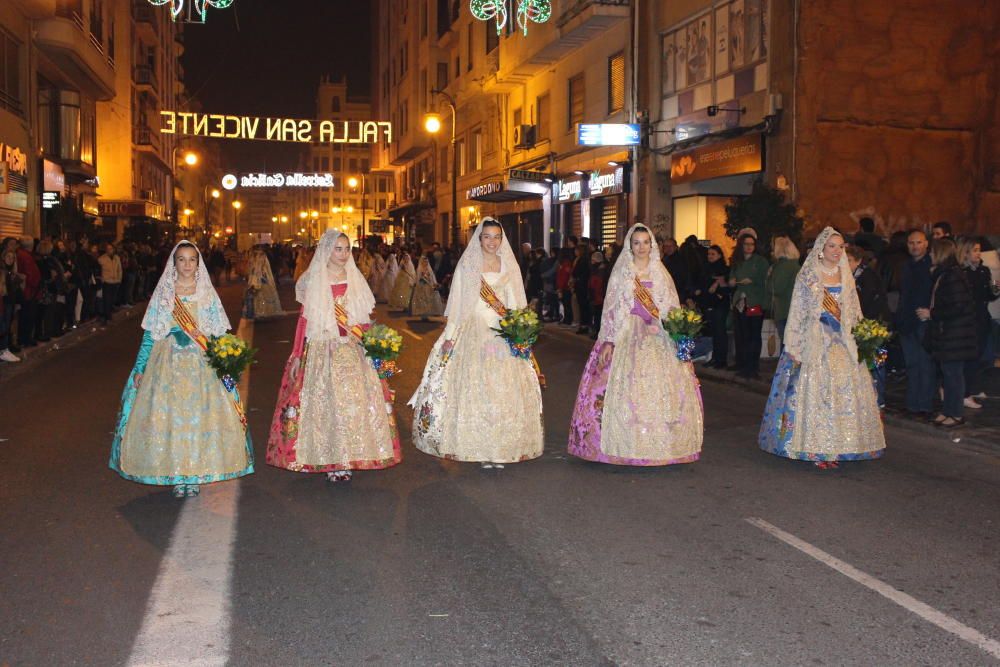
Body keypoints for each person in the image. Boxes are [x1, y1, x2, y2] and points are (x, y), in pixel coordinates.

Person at [109, 241, 254, 497]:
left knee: (197, 419)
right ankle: (178, 473)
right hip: (168, 363)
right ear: (173, 264)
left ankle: (194, 472)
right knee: (173, 420)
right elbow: (151, 335)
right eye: (182, 260)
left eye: (192, 260)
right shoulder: (165, 294)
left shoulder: (206, 294)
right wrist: (141, 367)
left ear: (198, 264)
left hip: (201, 364)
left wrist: (225, 362)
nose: (187, 265)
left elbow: (219, 333)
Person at [409, 219, 543, 469]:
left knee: (502, 390)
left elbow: (514, 300)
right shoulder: (468, 265)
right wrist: (450, 336)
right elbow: (459, 303)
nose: (492, 242)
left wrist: (520, 327)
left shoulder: (509, 265)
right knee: (477, 388)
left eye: (496, 237)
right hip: (474, 330)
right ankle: (480, 445)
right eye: (487, 237)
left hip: (502, 332)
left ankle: (500, 446)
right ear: (479, 239)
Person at [267, 231, 400, 481]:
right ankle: (331, 459)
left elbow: (363, 319)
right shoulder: (315, 279)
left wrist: (376, 347)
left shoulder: (354, 277)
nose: (343, 253)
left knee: (351, 404)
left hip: (351, 348)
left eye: (347, 248)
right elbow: (304, 321)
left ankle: (347, 457)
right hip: (323, 349)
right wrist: (297, 354)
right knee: (327, 405)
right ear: (327, 251)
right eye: (338, 248)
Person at [568, 224, 703, 466]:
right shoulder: (622, 273)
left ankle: (660, 443)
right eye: (637, 243)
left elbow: (671, 305)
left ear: (653, 245)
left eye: (645, 242)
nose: (641, 247)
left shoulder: (661, 273)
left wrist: (674, 330)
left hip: (657, 334)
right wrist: (609, 340)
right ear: (630, 246)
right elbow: (611, 308)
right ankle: (623, 441)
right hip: (627, 332)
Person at [759, 228, 885, 466]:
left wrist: (863, 337)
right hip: (816, 342)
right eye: (832, 246)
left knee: (845, 394)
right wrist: (795, 346)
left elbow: (854, 310)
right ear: (821, 250)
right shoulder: (809, 275)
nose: (837, 251)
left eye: (841, 246)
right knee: (817, 393)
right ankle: (816, 445)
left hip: (843, 342)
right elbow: (797, 312)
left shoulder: (845, 275)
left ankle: (841, 444)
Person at [921, 238, 977, 428]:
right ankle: (948, 410)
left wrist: (932, 314)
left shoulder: (952, 275)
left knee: (953, 375)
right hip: (949, 334)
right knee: (948, 374)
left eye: (932, 251)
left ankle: (956, 413)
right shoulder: (944, 273)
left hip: (955, 335)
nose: (929, 255)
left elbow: (958, 306)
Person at [846, 244, 891, 407]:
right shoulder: (852, 276)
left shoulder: (867, 277)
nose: (846, 263)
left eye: (849, 260)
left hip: (874, 328)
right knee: (866, 364)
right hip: (864, 327)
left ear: (858, 261)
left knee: (878, 363)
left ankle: (879, 399)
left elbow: (867, 302)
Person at [958, 237, 1000, 407]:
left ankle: (973, 387)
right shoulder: (962, 272)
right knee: (969, 356)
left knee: (980, 355)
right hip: (969, 319)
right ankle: (964, 393)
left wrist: (996, 290)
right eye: (975, 250)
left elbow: (988, 295)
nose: (978, 253)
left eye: (979, 250)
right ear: (966, 252)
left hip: (982, 317)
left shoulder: (983, 270)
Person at [897, 230, 934, 417]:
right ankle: (912, 404)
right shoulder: (906, 266)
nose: (915, 246)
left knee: (925, 364)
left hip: (923, 321)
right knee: (911, 364)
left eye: (918, 242)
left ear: (926, 244)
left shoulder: (931, 266)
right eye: (911, 242)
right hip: (907, 322)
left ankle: (924, 405)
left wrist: (930, 312)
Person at [729, 233, 769, 379]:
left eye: (751, 244)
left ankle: (753, 367)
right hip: (740, 303)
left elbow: (765, 280)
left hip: (755, 301)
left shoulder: (760, 262)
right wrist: (732, 281)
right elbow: (732, 277)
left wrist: (752, 281)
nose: (749, 247)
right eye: (746, 244)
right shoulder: (737, 261)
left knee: (754, 336)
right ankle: (744, 365)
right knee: (743, 335)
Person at [694, 244, 730, 368]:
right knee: (713, 332)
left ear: (719, 255)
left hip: (720, 304)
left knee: (720, 332)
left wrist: (717, 286)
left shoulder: (724, 269)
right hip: (708, 303)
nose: (710, 256)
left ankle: (721, 360)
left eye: (713, 254)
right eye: (709, 254)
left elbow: (726, 286)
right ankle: (714, 358)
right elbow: (702, 283)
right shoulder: (706, 268)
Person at [766, 236, 801, 345]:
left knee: (786, 346)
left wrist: (768, 277)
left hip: (784, 310)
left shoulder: (781, 267)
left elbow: (776, 288)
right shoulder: (796, 266)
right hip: (796, 310)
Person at [243, 246, 283, 320]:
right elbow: (253, 268)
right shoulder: (258, 256)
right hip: (257, 277)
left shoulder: (259, 256)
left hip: (259, 277)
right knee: (259, 294)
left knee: (259, 294)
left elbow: (260, 268)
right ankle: (259, 311)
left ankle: (258, 312)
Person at [411, 254, 444, 319]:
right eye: (424, 262)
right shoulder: (419, 269)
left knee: (429, 300)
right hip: (422, 286)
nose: (425, 263)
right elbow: (418, 278)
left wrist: (435, 283)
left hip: (429, 286)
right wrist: (422, 280)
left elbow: (432, 276)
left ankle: (427, 314)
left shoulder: (429, 269)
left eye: (426, 262)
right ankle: (423, 315)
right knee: (423, 300)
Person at [98, 243, 122, 325]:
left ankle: (109, 315)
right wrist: (103, 279)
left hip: (115, 282)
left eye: (111, 248)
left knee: (112, 300)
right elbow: (99, 270)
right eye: (107, 249)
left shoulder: (117, 258)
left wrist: (119, 279)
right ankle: (106, 317)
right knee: (107, 300)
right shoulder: (102, 259)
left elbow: (119, 269)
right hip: (107, 282)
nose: (109, 250)